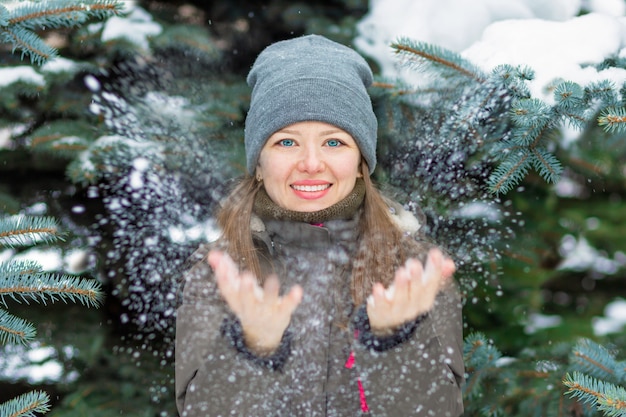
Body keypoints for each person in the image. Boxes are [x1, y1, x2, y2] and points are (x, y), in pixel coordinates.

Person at [175, 34, 464, 416]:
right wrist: (254, 350)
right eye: (286, 143)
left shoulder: (413, 269)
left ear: (362, 164)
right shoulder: (222, 273)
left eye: (333, 143)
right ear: (258, 165)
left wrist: (394, 342)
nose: (311, 163)